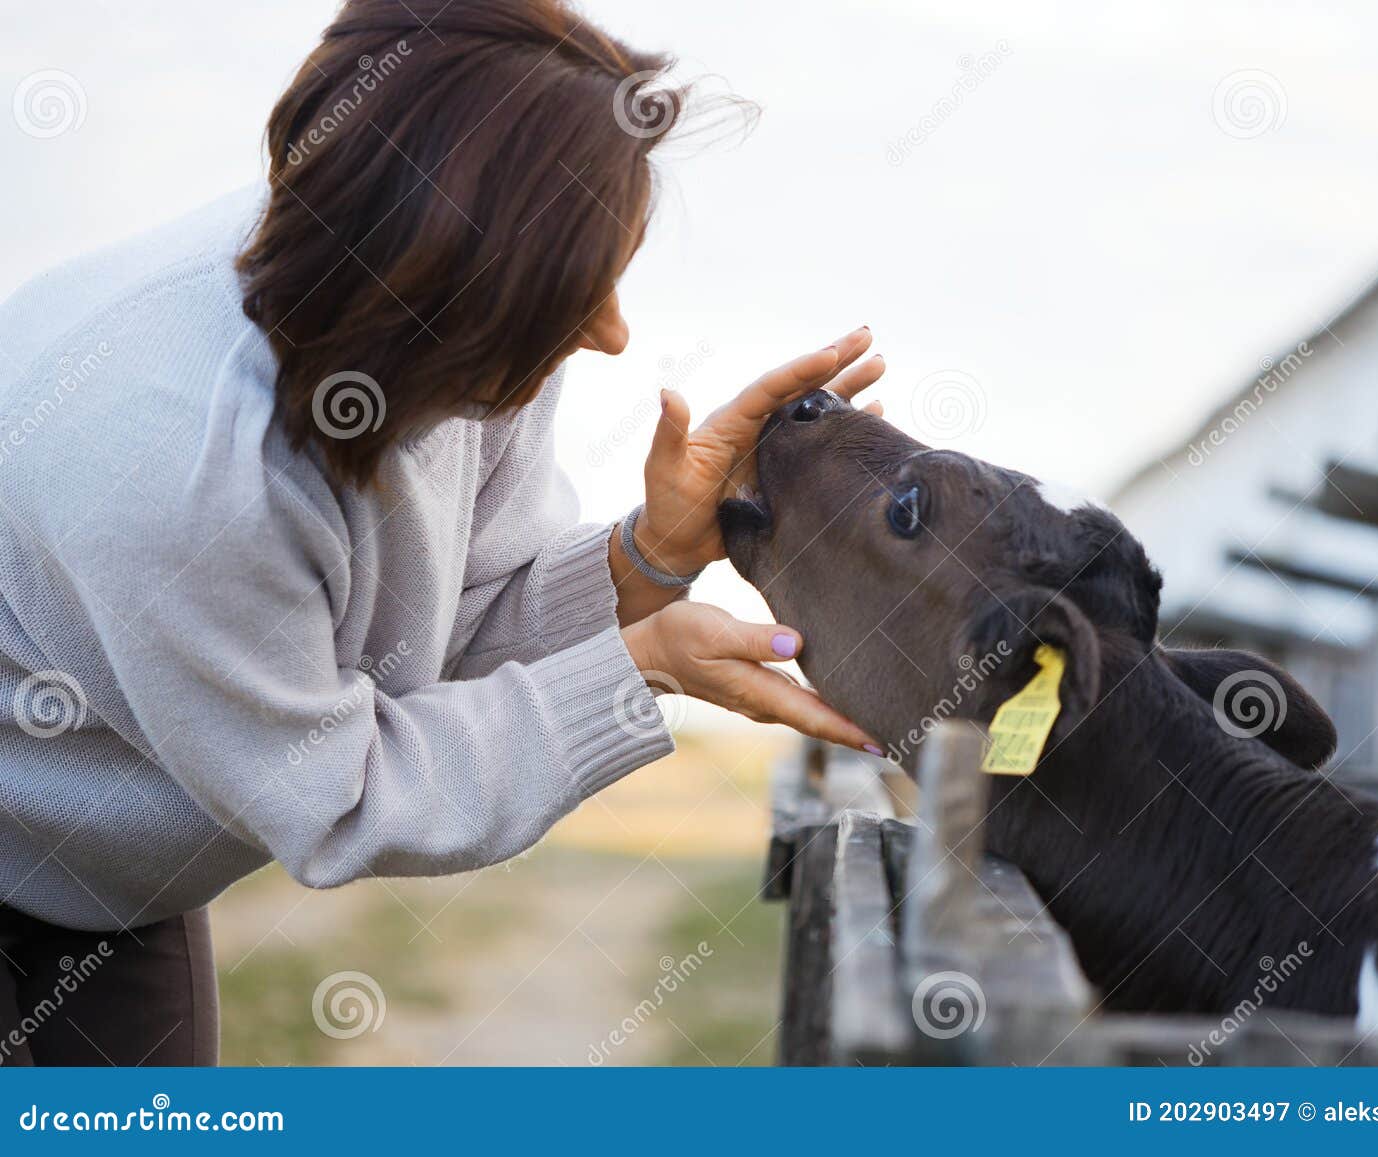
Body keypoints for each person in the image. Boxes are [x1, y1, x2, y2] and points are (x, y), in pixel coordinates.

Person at [0, 0, 882, 1065]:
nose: (610, 333)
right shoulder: (175, 466)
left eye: (611, 269)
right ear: (445, 275)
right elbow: (347, 794)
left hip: (99, 883)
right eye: (582, 289)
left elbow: (447, 640)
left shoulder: (456, 311)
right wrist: (636, 668)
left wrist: (652, 553)